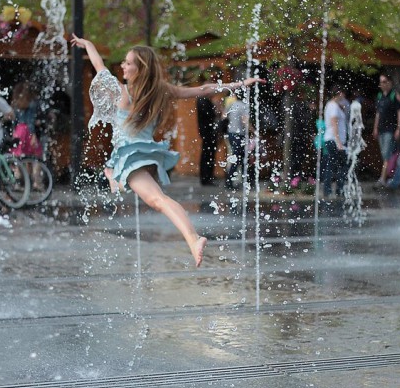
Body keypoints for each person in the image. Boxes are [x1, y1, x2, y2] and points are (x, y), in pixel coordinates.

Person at [70, 34, 263, 267]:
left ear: (140, 69)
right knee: (134, 186)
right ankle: (115, 179)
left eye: (128, 62)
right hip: (145, 155)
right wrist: (238, 85)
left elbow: (98, 63)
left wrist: (87, 44)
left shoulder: (121, 91)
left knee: (158, 200)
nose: (123, 65)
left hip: (132, 158)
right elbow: (202, 89)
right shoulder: (159, 90)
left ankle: (193, 239)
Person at [372, 74, 400, 186]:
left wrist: (398, 128)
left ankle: (383, 178)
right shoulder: (380, 96)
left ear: (390, 82)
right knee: (385, 154)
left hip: (390, 129)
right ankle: (389, 176)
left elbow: (399, 112)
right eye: (381, 82)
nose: (382, 84)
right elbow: (378, 113)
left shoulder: (393, 95)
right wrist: (375, 127)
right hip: (381, 130)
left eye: (384, 82)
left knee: (387, 154)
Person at [322, 85, 348, 198]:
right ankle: (338, 189)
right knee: (341, 165)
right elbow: (334, 124)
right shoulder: (333, 106)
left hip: (332, 139)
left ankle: (329, 189)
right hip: (335, 140)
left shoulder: (332, 105)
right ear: (339, 93)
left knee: (332, 164)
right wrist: (338, 142)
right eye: (342, 93)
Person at [223, 91, 251, 190]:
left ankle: (241, 181)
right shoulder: (244, 106)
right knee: (239, 158)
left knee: (238, 157)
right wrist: (254, 131)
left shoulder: (231, 105)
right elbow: (245, 122)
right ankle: (230, 182)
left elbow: (224, 116)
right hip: (239, 135)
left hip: (230, 133)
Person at [196, 94, 218, 186]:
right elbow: (210, 114)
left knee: (207, 154)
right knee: (208, 155)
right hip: (208, 132)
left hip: (206, 131)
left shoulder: (201, 101)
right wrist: (215, 107)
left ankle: (207, 176)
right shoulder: (204, 101)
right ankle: (206, 177)